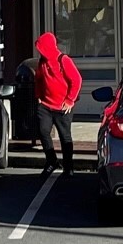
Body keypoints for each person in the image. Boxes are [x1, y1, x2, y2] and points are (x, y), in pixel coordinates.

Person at [31, 31, 82, 176]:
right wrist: (39, 96)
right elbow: (39, 80)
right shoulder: (42, 62)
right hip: (46, 105)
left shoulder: (63, 60)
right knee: (43, 131)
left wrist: (70, 100)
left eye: (42, 48)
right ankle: (52, 161)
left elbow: (76, 80)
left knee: (65, 136)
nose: (40, 51)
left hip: (63, 107)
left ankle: (68, 167)